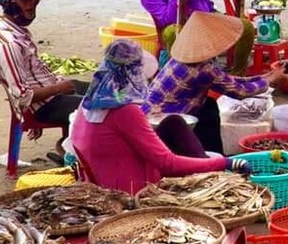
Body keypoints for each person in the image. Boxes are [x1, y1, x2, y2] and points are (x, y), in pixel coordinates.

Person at [70, 38, 247, 193]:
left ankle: (206, 163)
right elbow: (167, 163)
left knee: (174, 122)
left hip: (101, 173)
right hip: (129, 188)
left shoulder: (89, 100)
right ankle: (211, 169)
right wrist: (225, 163)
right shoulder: (124, 111)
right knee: (188, 135)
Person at [145, 11, 279, 156]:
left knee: (208, 104)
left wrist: (267, 76)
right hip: (160, 124)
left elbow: (230, 80)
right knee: (209, 110)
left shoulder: (180, 58)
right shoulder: (203, 70)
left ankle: (209, 152)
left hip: (154, 115)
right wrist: (272, 79)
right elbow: (240, 91)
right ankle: (211, 157)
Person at [0, 0, 91, 129]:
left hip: (52, 90)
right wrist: (58, 88)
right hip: (45, 106)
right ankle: (72, 147)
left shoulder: (16, 30)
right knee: (103, 108)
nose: (31, 5)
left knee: (106, 90)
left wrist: (59, 85)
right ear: (7, 2)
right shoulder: (10, 44)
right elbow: (22, 97)